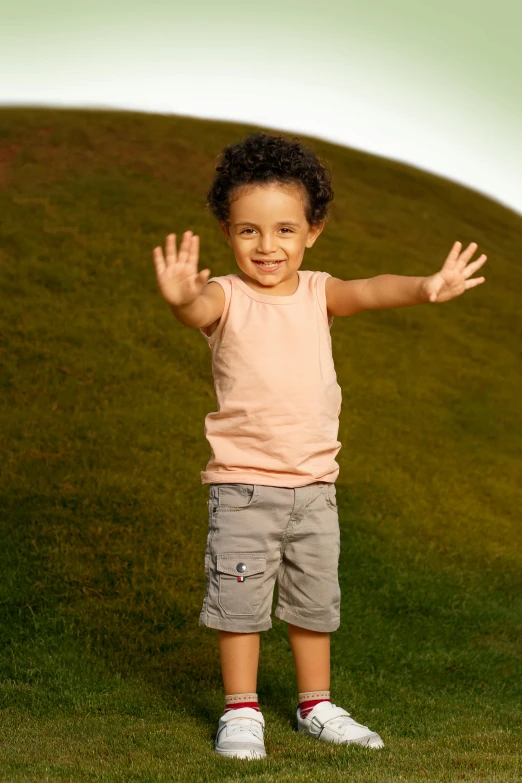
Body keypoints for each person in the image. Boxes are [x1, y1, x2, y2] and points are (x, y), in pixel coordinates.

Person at [152, 131, 487, 760]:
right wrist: (181, 298)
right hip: (245, 486)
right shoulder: (227, 296)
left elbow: (371, 288)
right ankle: (242, 710)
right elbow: (197, 309)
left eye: (284, 230)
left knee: (313, 605)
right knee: (241, 603)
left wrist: (425, 286)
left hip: (313, 488)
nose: (267, 245)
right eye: (249, 230)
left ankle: (316, 705)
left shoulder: (317, 293)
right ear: (227, 232)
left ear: (313, 232)